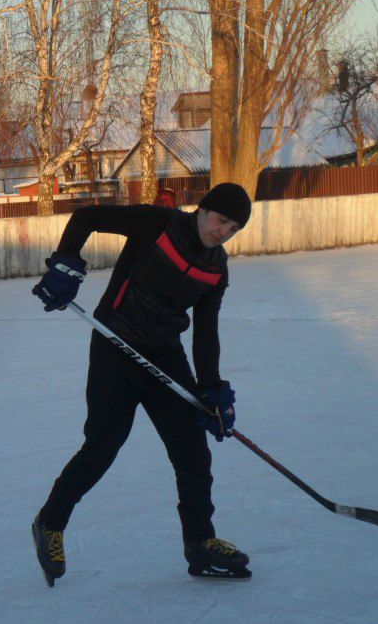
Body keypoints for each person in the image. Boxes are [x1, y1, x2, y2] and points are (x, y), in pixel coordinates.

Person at [30, 183, 253, 586]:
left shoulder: (215, 269)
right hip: (115, 343)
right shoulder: (158, 224)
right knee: (104, 444)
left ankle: (200, 543)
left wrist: (210, 389)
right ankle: (50, 522)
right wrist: (65, 262)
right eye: (221, 220)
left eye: (233, 228)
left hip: (163, 356)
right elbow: (87, 217)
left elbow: (206, 332)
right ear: (202, 210)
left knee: (192, 452)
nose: (223, 232)